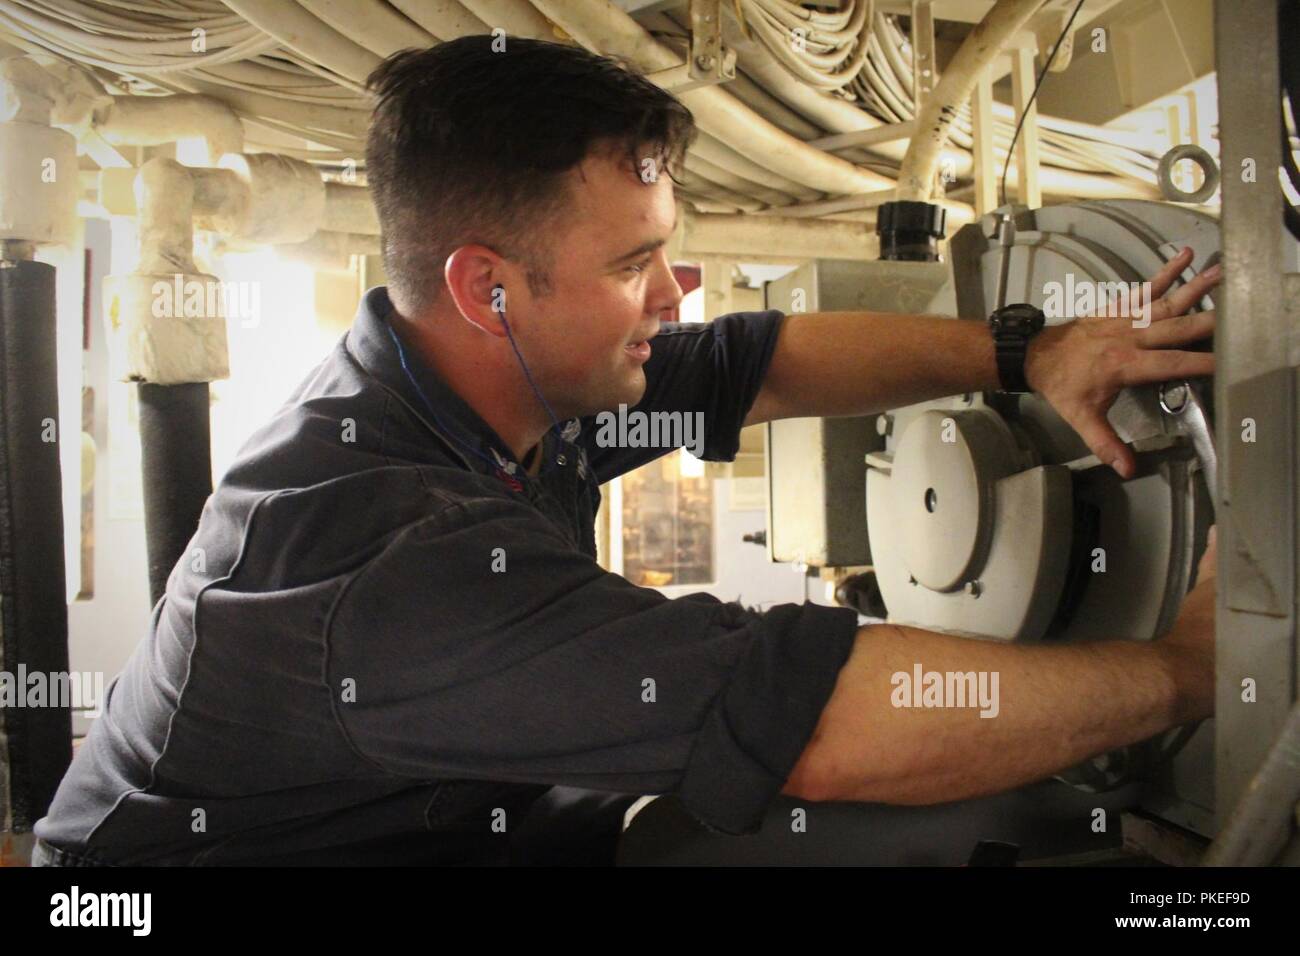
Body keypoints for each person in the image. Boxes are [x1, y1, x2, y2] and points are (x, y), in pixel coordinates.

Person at [32, 35, 1219, 866]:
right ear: (488, 287)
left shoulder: (488, 378)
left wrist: (1029, 352)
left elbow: (750, 363)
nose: (672, 291)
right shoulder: (382, 554)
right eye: (630, 264)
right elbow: (815, 722)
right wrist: (1185, 666)